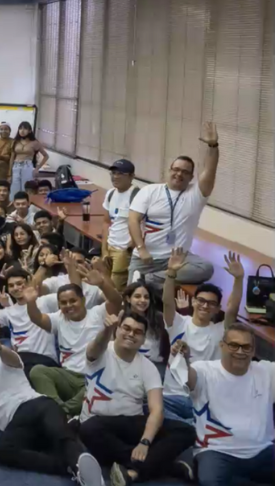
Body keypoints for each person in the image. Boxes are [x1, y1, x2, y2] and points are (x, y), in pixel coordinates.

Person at [0, 327, 104, 485]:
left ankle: (82, 471)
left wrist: (0, 349)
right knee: (3, 450)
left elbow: (12, 359)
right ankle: (68, 466)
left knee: (58, 433)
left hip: (36, 405)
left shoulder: (3, 359)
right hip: (17, 424)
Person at [77, 312, 194, 486]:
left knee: (187, 431)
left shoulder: (149, 367)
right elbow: (96, 346)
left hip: (131, 423)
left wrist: (145, 442)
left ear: (143, 338)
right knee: (88, 429)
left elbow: (157, 410)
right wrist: (106, 329)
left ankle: (134, 471)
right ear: (117, 330)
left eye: (138, 332)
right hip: (99, 424)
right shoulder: (101, 353)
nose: (131, 334)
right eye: (126, 328)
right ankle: (166, 467)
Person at [175, 323, 275, 486]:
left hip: (262, 451)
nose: (240, 352)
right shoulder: (205, 370)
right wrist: (184, 359)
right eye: (234, 345)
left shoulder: (266, 372)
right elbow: (189, 378)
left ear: (253, 350)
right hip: (217, 451)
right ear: (222, 345)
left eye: (246, 347)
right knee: (210, 482)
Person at [128, 122, 220, 285]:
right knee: (133, 301)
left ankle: (150, 279)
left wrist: (213, 146)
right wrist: (141, 249)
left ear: (192, 177)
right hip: (146, 259)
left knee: (206, 268)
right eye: (176, 169)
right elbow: (133, 220)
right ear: (169, 171)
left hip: (178, 260)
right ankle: (152, 279)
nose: (179, 174)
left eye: (185, 172)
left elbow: (210, 171)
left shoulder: (196, 194)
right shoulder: (150, 191)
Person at [27, 259, 122, 417]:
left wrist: (102, 284)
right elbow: (37, 318)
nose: (68, 305)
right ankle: (61, 411)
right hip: (68, 376)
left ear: (83, 300)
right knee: (37, 371)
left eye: (73, 300)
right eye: (63, 303)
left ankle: (57, 413)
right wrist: (31, 303)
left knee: (100, 385)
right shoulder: (58, 318)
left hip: (95, 376)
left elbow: (116, 301)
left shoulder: (98, 313)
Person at [160, 248, 244, 424]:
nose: (205, 306)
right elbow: (167, 302)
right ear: (194, 302)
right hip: (171, 396)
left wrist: (238, 279)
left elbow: (233, 309)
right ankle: (188, 427)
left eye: (212, 303)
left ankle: (185, 427)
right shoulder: (179, 323)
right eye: (202, 301)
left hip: (201, 399)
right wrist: (171, 273)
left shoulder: (221, 331)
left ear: (216, 309)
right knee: (148, 404)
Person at [102, 159, 139, 290]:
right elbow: (106, 222)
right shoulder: (110, 193)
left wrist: (131, 247)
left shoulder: (137, 196)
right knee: (104, 285)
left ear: (131, 176)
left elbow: (143, 225)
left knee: (115, 289)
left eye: (120, 173)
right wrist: (104, 249)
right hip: (110, 246)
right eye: (113, 173)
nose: (115, 177)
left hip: (123, 250)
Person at [10, 121, 49, 197]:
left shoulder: (34, 142)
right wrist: (9, 171)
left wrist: (37, 168)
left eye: (25, 129)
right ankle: (14, 207)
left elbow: (46, 156)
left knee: (26, 189)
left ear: (30, 131)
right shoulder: (15, 141)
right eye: (20, 128)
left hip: (27, 166)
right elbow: (12, 157)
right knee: (14, 189)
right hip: (16, 166)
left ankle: (26, 206)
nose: (22, 131)